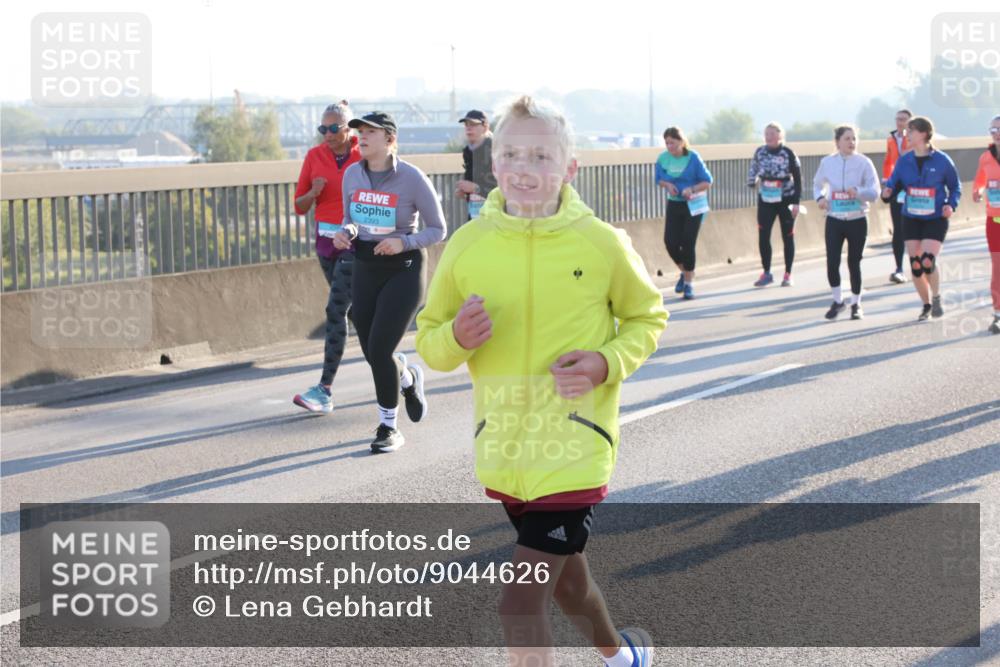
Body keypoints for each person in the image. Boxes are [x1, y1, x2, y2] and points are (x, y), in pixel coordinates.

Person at [416, 95, 667, 667]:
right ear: (493, 165)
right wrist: (456, 335)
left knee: (519, 606)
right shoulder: (468, 245)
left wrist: (605, 363)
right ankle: (623, 654)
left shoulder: (601, 242)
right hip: (504, 450)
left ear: (569, 168)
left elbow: (647, 317)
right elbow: (429, 340)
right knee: (569, 587)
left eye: (541, 156)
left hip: (574, 447)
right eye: (511, 154)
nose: (525, 168)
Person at [332, 111, 447, 452]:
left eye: (371, 132)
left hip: (404, 267)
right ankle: (408, 378)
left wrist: (404, 242)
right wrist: (346, 232)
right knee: (372, 351)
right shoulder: (352, 174)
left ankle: (388, 427)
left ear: (390, 140)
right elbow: (351, 219)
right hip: (366, 265)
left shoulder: (412, 178)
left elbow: (438, 229)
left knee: (380, 348)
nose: (362, 138)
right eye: (360, 132)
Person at [292, 101, 363, 414]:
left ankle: (324, 389)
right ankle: (400, 372)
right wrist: (314, 192)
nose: (328, 134)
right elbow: (299, 205)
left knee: (336, 308)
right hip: (325, 244)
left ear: (348, 128)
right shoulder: (314, 156)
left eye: (334, 128)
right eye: (323, 128)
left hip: (355, 243)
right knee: (356, 314)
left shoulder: (365, 155)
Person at [883, 116, 962, 321]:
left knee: (927, 261)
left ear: (924, 134)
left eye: (911, 131)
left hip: (935, 217)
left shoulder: (942, 160)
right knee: (916, 264)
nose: (906, 134)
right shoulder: (905, 160)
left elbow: (955, 187)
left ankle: (936, 297)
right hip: (911, 217)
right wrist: (888, 191)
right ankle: (926, 305)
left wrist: (950, 205)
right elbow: (894, 183)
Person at [814, 125, 881, 320]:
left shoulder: (864, 162)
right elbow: (817, 184)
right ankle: (837, 301)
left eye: (854, 139)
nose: (851, 142)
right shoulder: (827, 162)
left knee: (854, 262)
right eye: (847, 139)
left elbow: (875, 192)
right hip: (835, 218)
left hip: (857, 218)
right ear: (837, 142)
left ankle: (856, 304)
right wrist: (820, 199)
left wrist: (858, 191)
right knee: (832, 262)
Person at [655, 126, 714, 300]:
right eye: (666, 143)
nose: (669, 147)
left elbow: (707, 181)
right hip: (675, 204)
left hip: (694, 205)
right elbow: (659, 179)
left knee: (688, 243)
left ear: (681, 142)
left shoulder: (693, 157)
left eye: (672, 143)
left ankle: (688, 284)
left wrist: (691, 188)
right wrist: (668, 185)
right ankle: (685, 272)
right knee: (670, 242)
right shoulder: (663, 159)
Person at [747, 122, 802, 287]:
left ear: (780, 136)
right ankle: (767, 272)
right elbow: (753, 169)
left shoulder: (788, 153)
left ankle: (788, 273)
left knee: (788, 235)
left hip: (786, 197)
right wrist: (751, 181)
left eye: (772, 134)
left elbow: (798, 178)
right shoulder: (760, 152)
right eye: (766, 134)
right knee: (763, 235)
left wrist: (796, 203)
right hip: (766, 198)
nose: (769, 137)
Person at [971, 114, 1000, 334]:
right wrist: (978, 191)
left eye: (999, 130)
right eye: (993, 130)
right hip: (995, 220)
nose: (996, 134)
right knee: (998, 269)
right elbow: (981, 180)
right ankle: (998, 314)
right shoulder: (986, 157)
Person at [882, 109, 913, 284]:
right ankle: (899, 268)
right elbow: (888, 161)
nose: (899, 122)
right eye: (898, 119)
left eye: (903, 119)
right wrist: (888, 182)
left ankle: (921, 264)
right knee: (898, 229)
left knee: (915, 229)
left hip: (913, 187)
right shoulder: (891, 139)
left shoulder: (915, 138)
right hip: (897, 187)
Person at [454, 109, 498, 220]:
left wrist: (476, 189)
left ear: (485, 127)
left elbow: (504, 188)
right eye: (466, 124)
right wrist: (465, 193)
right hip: (476, 215)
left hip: (496, 218)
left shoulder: (495, 151)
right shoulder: (468, 152)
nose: (469, 128)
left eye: (473, 124)